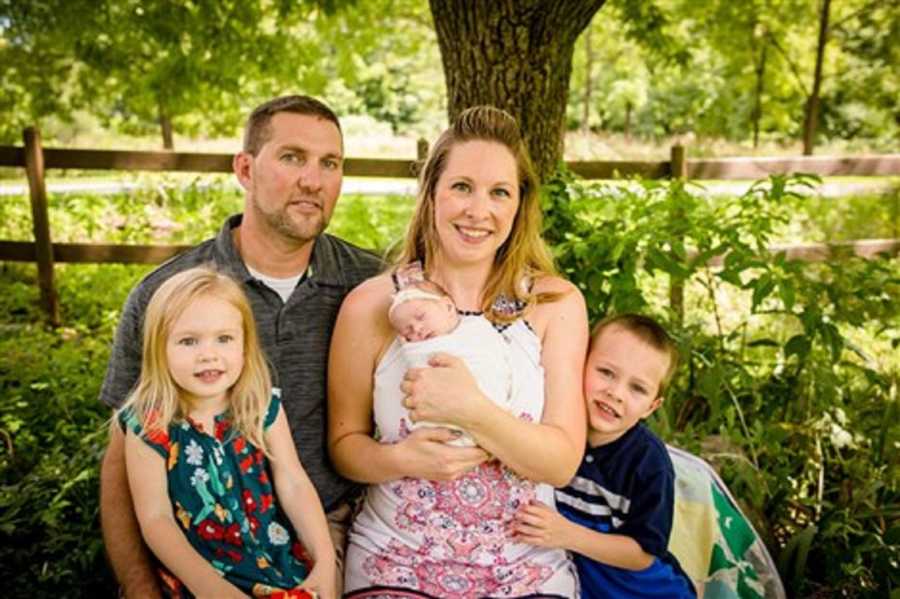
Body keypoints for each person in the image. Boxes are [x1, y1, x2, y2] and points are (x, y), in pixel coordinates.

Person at [98, 95, 383, 598]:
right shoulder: (168, 296)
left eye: (330, 163)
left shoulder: (370, 288)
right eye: (292, 157)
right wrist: (140, 588)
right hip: (193, 543)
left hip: (324, 526)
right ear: (246, 169)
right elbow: (123, 457)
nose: (313, 181)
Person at [328, 105, 588, 597]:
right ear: (431, 197)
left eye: (499, 193)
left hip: (523, 569)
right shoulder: (374, 305)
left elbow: (559, 463)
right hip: (397, 561)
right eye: (462, 187)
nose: (478, 210)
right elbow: (344, 446)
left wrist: (471, 410)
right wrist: (401, 458)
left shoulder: (555, 305)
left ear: (519, 207)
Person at [118, 266, 335, 598]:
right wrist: (209, 587)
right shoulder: (151, 426)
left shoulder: (259, 407)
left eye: (224, 338)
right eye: (188, 341)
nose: (209, 354)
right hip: (199, 579)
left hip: (276, 566)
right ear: (158, 349)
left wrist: (324, 561)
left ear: (245, 346)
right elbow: (155, 519)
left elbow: (293, 481)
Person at [513, 314, 696, 599]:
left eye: (637, 388)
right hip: (577, 584)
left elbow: (643, 554)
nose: (616, 393)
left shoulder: (649, 462)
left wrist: (568, 534)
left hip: (643, 590)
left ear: (652, 406)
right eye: (606, 372)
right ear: (580, 363)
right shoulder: (551, 428)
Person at [386, 274, 513, 447]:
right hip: (440, 431)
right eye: (407, 331)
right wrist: (411, 349)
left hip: (491, 416)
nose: (416, 328)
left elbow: (495, 358)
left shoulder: (477, 328)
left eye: (421, 316)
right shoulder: (419, 348)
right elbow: (419, 368)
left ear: (448, 306)